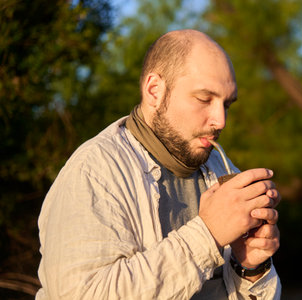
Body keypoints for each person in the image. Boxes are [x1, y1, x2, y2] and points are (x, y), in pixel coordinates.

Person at [36, 29, 281, 299]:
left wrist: (249, 266)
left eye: (227, 105)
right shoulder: (94, 171)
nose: (220, 121)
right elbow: (79, 294)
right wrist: (208, 234)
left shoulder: (221, 169)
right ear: (154, 90)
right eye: (204, 99)